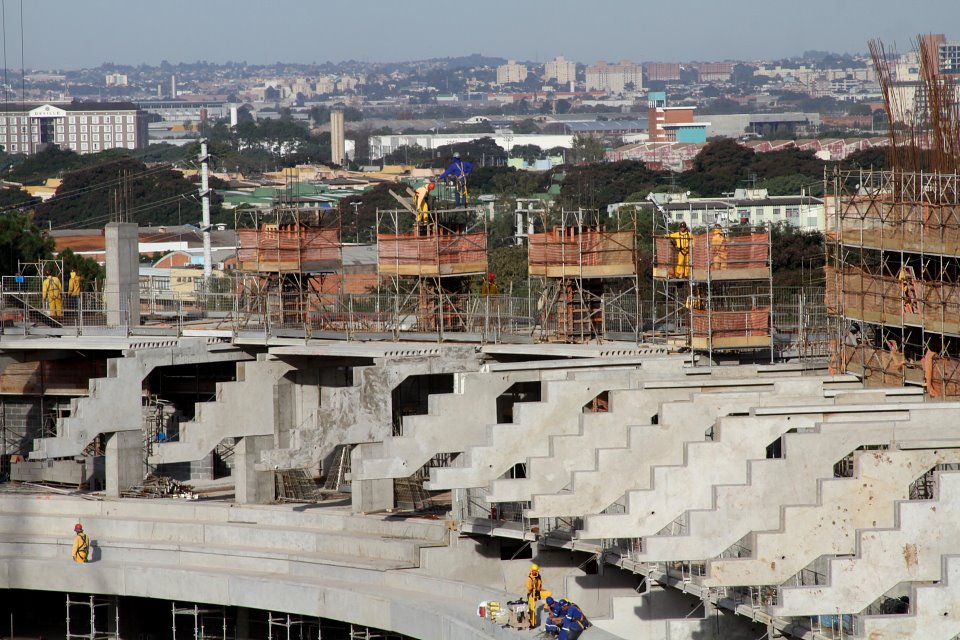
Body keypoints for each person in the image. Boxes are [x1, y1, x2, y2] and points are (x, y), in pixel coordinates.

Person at [525, 563, 552, 629]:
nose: (535, 572)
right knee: (532, 609)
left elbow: (539, 586)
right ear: (531, 571)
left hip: (538, 592)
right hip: (532, 594)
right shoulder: (529, 579)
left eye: (536, 571)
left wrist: (542, 590)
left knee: (549, 593)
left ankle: (546, 607)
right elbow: (529, 588)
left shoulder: (538, 576)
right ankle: (532, 624)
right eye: (534, 571)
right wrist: (533, 584)